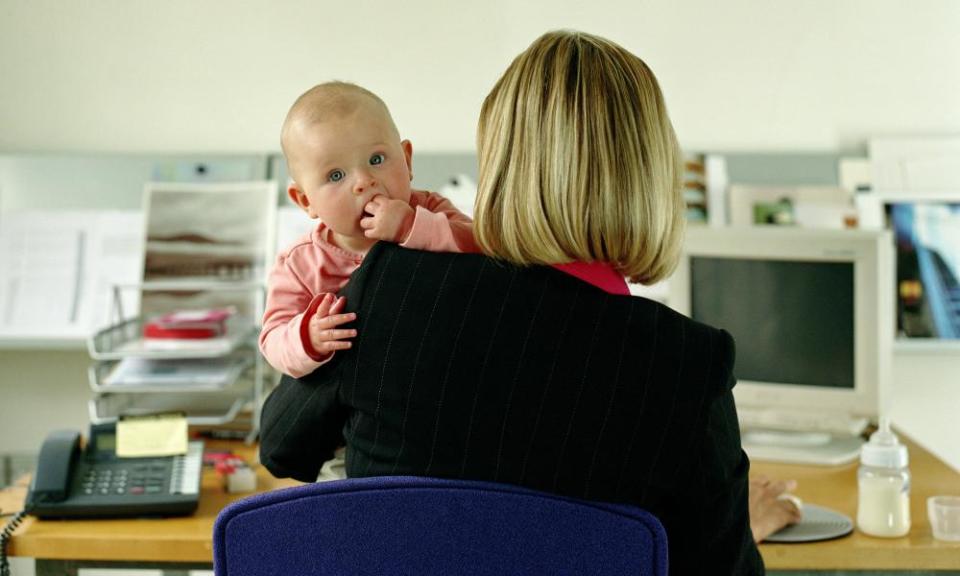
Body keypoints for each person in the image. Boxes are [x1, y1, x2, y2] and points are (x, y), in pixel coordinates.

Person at [261, 31, 796, 573]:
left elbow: (283, 448)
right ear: (655, 175)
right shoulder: (691, 366)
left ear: (500, 164)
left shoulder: (391, 289)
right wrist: (740, 528)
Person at [260, 82, 478, 378]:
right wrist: (307, 338)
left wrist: (411, 226)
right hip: (358, 384)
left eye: (376, 160)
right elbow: (272, 339)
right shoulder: (300, 264)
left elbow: (479, 246)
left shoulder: (429, 210)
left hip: (438, 366)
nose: (364, 181)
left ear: (407, 160)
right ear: (305, 200)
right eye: (336, 175)